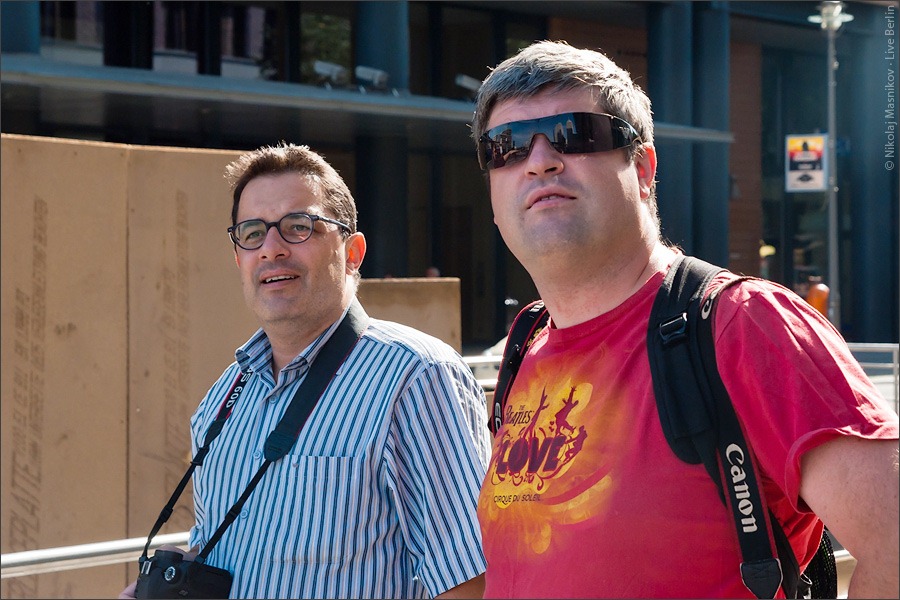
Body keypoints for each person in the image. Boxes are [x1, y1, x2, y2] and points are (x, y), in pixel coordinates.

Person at [471, 40, 898, 598]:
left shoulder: (743, 324)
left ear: (643, 167)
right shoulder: (525, 343)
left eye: (574, 134)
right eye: (507, 146)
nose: (540, 160)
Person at [120, 143, 490, 599]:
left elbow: (470, 583)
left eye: (298, 227)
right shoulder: (223, 398)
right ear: (239, 259)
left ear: (352, 253)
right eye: (252, 233)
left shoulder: (417, 378)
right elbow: (236, 552)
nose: (271, 249)